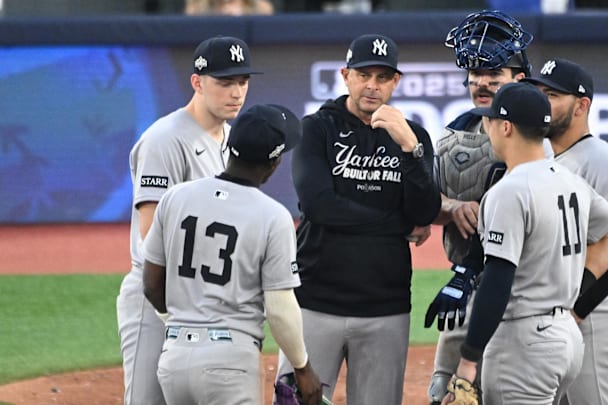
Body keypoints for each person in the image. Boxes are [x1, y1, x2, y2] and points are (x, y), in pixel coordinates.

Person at [275, 33, 441, 404]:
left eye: (383, 77)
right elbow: (320, 206)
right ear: (345, 75)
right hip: (316, 301)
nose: (372, 85)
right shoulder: (316, 129)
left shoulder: (414, 137)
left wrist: (410, 149)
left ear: (396, 82)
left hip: (386, 307)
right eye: (364, 74)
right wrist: (397, 224)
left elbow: (424, 210)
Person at [441, 82, 608, 405]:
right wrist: (580, 290)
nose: (486, 127)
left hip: (523, 344)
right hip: (567, 337)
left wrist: (468, 362)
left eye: (490, 120)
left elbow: (497, 280)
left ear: (506, 127)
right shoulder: (570, 180)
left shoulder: (508, 191)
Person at [141, 104, 323, 405]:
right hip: (229, 362)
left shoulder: (175, 197)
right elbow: (279, 308)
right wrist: (302, 368)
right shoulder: (272, 216)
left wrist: (182, 321)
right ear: (275, 163)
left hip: (173, 359)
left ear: (229, 147)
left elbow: (150, 284)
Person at [116, 35, 260, 405]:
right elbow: (151, 236)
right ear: (197, 82)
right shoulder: (164, 140)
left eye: (242, 81)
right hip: (157, 294)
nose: (236, 92)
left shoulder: (229, 139)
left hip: (203, 299)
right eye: (225, 82)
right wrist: (173, 308)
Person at [424, 10, 536, 404]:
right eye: (475, 74)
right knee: (444, 393)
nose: (481, 82)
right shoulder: (457, 130)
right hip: (467, 293)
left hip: (525, 297)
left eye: (494, 74)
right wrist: (451, 207)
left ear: (519, 80)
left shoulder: (538, 137)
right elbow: (426, 204)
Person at [523, 58, 608, 405]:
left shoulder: (600, 159)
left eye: (552, 95)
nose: (542, 102)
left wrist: (577, 309)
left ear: (582, 105)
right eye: (538, 93)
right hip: (556, 316)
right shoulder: (540, 153)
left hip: (594, 318)